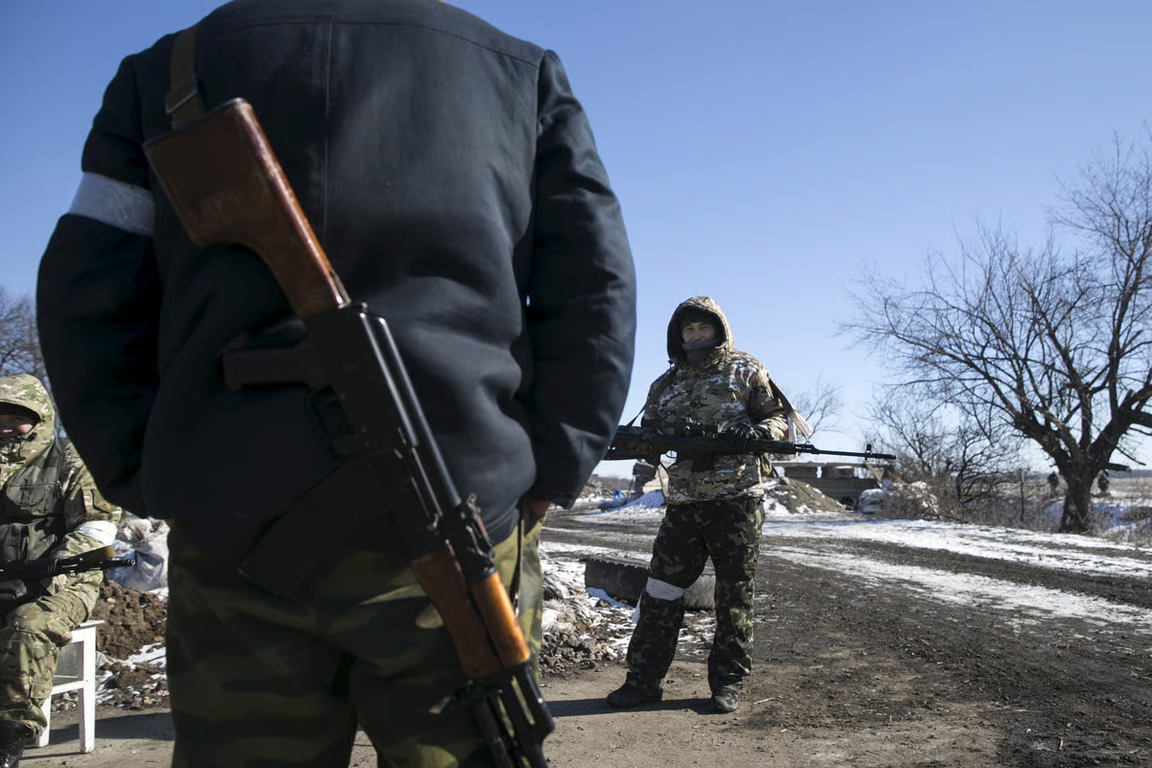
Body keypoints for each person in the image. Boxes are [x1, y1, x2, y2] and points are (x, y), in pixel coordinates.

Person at [36, 1, 636, 765]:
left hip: (237, 527)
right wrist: (552, 466)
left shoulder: (167, 73)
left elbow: (85, 289)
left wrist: (146, 468)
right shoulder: (520, 72)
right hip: (464, 517)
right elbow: (595, 291)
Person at [606, 296, 799, 715]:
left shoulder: (746, 370)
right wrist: (645, 444)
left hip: (737, 500)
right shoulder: (665, 383)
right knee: (660, 591)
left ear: (719, 330)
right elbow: (651, 436)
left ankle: (727, 683)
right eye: (687, 330)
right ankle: (642, 681)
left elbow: (781, 422)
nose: (695, 336)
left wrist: (756, 431)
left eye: (702, 329)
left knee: (734, 595)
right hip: (684, 502)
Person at [0, 375, 121, 767]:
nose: (5, 425)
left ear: (40, 417)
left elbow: (97, 528)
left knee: (27, 624)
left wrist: (53, 567)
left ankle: (9, 737)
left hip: (64, 582)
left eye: (17, 416)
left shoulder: (72, 460)